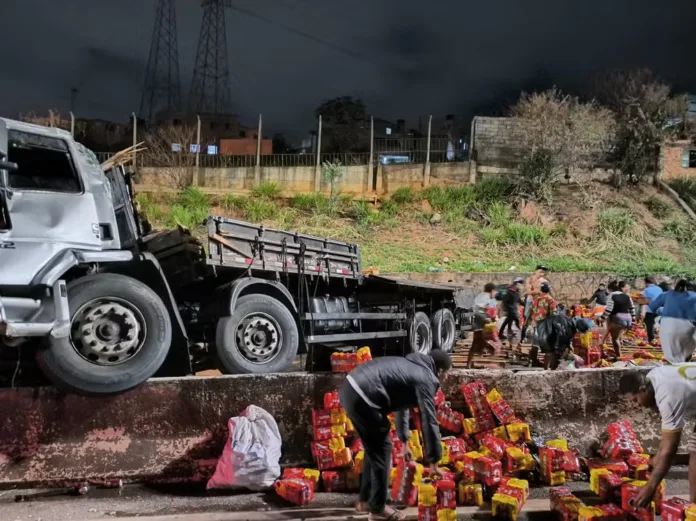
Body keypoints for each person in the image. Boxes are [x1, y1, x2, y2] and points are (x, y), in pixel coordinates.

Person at [340, 351, 451, 520]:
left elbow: (402, 405)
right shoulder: (427, 378)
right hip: (364, 395)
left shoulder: (412, 367)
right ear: (441, 371)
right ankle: (377, 510)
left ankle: (365, 501)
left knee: (374, 448)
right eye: (447, 375)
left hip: (350, 388)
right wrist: (434, 460)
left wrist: (405, 440)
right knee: (383, 449)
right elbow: (429, 419)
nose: (445, 379)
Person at [619, 367, 696, 506]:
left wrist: (650, 488)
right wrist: (655, 461)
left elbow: (669, 451)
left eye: (636, 400)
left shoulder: (668, 398)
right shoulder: (653, 376)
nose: (638, 405)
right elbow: (665, 444)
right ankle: (694, 508)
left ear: (643, 389)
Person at [648, 279, 696, 363]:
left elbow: (652, 306)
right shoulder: (694, 296)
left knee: (671, 357)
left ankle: (673, 371)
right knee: (685, 354)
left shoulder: (667, 294)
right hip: (686, 326)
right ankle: (684, 370)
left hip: (667, 325)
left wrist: (664, 309)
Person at [467, 283, 500, 368]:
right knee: (482, 342)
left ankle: (469, 363)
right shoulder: (485, 297)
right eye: (495, 292)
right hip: (482, 325)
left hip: (482, 325)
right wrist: (486, 318)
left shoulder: (485, 297)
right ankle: (470, 363)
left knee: (476, 344)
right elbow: (478, 310)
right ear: (492, 291)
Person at [602, 281, 635, 360]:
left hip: (618, 318)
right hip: (628, 318)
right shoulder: (627, 296)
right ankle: (620, 353)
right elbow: (632, 308)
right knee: (619, 336)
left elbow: (609, 309)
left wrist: (602, 318)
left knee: (615, 339)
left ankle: (618, 356)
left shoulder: (611, 296)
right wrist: (633, 319)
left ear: (610, 290)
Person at [521, 266, 549, 342]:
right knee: (527, 318)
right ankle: (523, 337)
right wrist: (536, 291)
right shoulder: (530, 279)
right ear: (536, 271)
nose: (542, 272)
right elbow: (528, 291)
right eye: (541, 270)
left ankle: (539, 338)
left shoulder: (545, 281)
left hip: (540, 301)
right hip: (530, 300)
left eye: (544, 271)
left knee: (540, 318)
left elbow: (547, 292)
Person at [499, 277, 524, 343]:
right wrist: (507, 308)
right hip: (511, 310)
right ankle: (521, 333)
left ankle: (507, 332)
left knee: (508, 321)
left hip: (513, 309)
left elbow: (519, 301)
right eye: (520, 284)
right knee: (514, 321)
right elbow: (505, 301)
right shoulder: (510, 292)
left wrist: (525, 304)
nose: (521, 286)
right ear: (516, 284)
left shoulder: (516, 292)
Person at [642, 277, 663, 345]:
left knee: (649, 324)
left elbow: (645, 301)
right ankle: (659, 338)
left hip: (650, 309)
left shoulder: (647, 290)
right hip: (660, 309)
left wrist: (638, 301)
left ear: (646, 283)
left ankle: (651, 340)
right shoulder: (659, 289)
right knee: (657, 323)